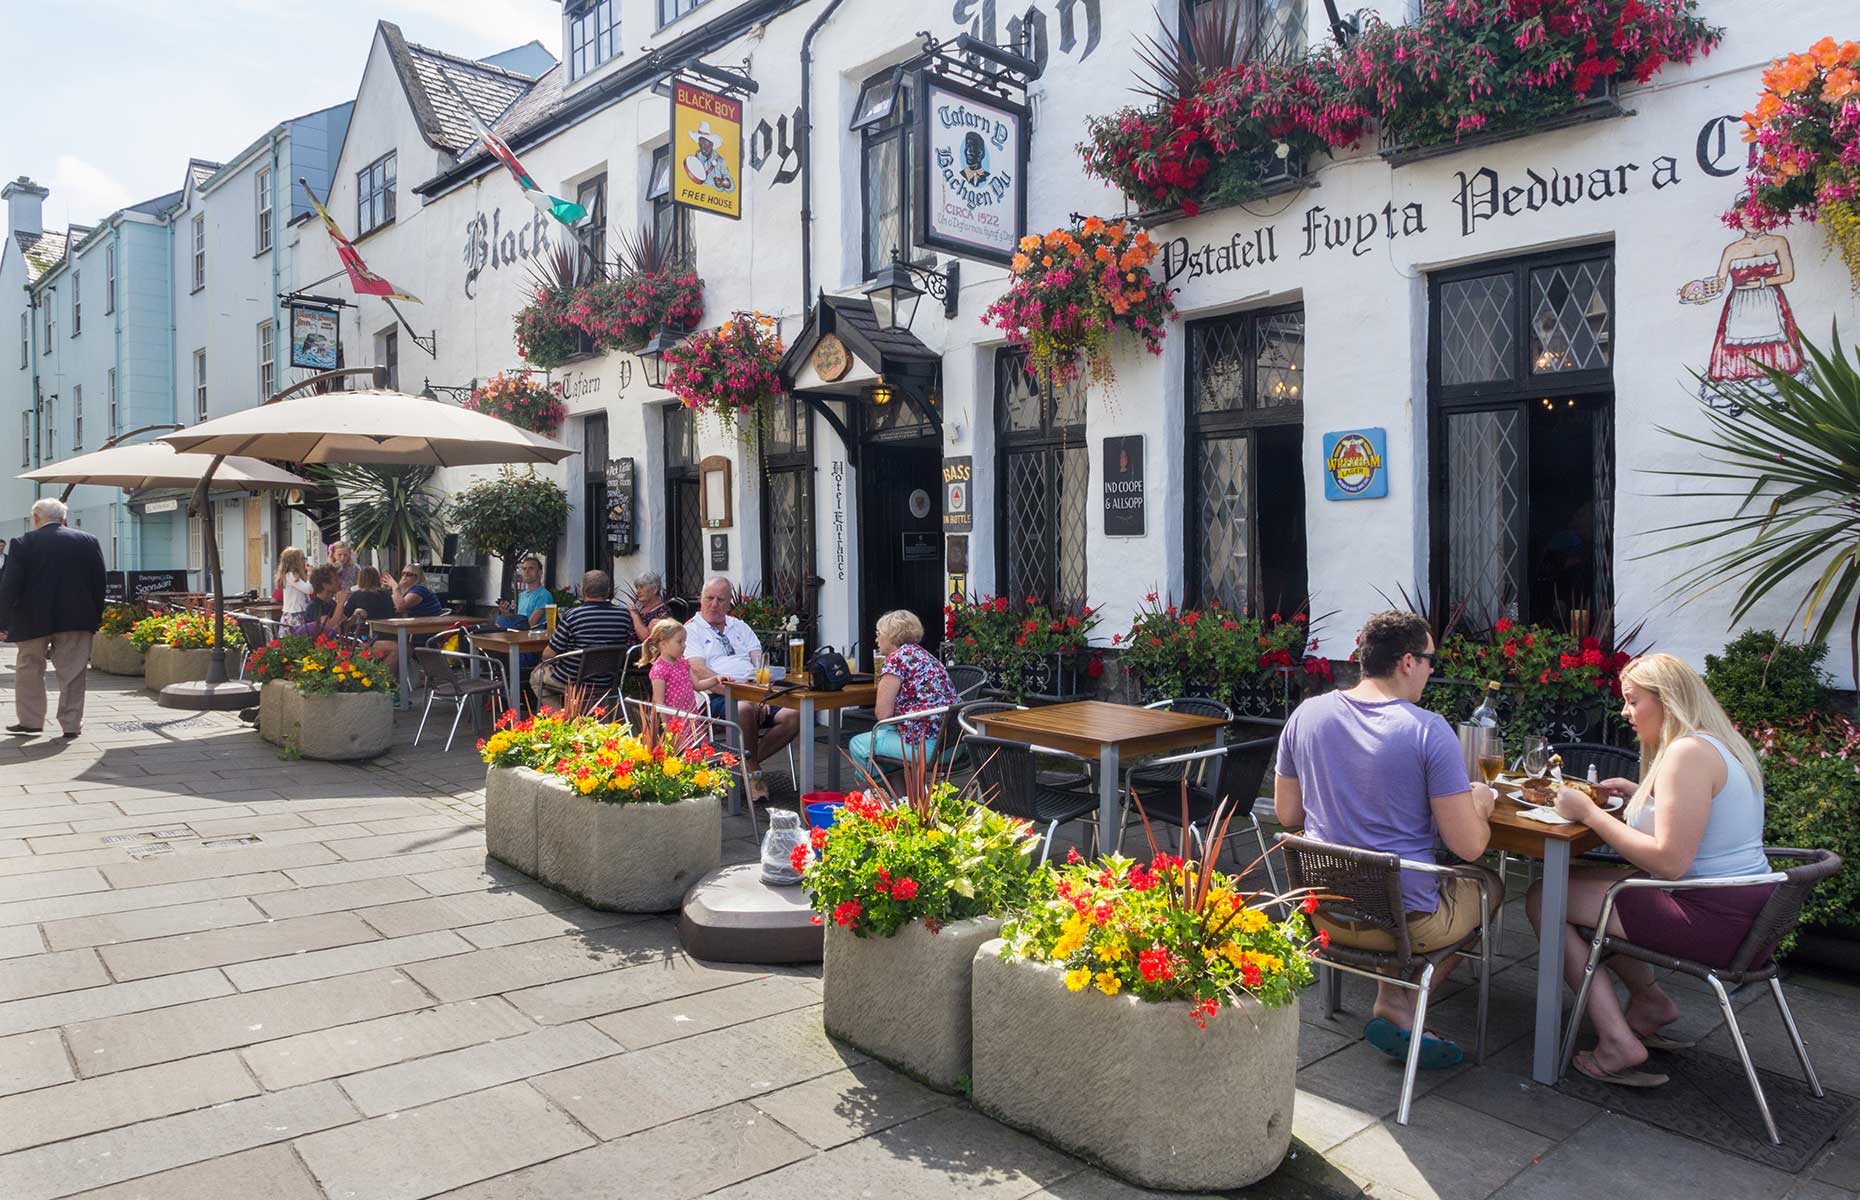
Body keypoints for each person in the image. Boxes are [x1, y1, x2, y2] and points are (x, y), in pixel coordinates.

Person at [1526, 652, 1776, 1090]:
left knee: (1544, 899)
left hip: (1714, 919)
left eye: (1632, 700)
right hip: (1747, 913)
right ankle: (1649, 1003)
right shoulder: (1716, 743)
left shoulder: (1686, 754)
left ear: (1668, 701)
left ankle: (1617, 1041)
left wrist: (1588, 812)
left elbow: (1668, 861)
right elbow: (1702, 823)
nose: (1625, 712)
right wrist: (1641, 794)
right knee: (1571, 891)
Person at [1274, 609, 1500, 1070]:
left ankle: (1392, 995)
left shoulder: (1307, 714)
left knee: (1385, 875)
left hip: (1325, 913)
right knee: (1488, 883)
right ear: (1407, 662)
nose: (1433, 670)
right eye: (1431, 660)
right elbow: (1469, 846)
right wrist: (1480, 801)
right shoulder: (1426, 729)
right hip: (1402, 922)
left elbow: (1288, 813)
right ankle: (1407, 1002)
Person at [0, 498, 107, 738]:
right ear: (64, 519)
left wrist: (3, 620)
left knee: (29, 668)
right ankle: (71, 724)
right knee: (73, 672)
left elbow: (10, 586)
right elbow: (99, 582)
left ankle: (30, 721)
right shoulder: (88, 541)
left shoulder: (23, 542)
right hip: (77, 618)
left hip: (32, 619)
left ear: (37, 518)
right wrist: (95, 616)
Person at [685, 576, 797, 802]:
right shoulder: (691, 630)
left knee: (795, 714)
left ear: (728, 604)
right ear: (701, 600)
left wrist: (762, 694)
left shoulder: (740, 627)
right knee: (744, 708)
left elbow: (759, 663)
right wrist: (745, 695)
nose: (714, 604)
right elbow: (698, 671)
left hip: (754, 692)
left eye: (720, 599)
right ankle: (752, 772)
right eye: (710, 598)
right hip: (714, 696)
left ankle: (743, 765)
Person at [849, 609, 959, 776]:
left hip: (926, 746)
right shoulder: (924, 655)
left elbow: (883, 715)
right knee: (890, 738)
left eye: (879, 634)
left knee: (858, 744)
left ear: (892, 636)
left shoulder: (896, 660)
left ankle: (878, 796)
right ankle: (903, 799)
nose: (876, 640)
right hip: (951, 745)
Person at [530, 570, 633, 710]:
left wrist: (544, 664)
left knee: (536, 677)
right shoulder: (624, 615)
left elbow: (549, 654)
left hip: (574, 680)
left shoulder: (574, 615)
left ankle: (561, 718)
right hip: (608, 680)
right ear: (608, 591)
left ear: (583, 591)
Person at [643, 617, 720, 718]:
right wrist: (667, 728)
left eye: (684, 642)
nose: (684, 646)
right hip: (675, 721)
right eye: (679, 642)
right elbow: (659, 703)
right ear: (663, 644)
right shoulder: (660, 669)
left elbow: (697, 685)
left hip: (690, 717)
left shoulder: (683, 663)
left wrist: (716, 679)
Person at [334, 566, 398, 670]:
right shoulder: (386, 594)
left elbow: (344, 620)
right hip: (390, 635)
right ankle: (383, 676)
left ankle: (379, 678)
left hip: (367, 639)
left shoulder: (357, 596)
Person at [496, 555, 549, 631]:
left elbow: (530, 624)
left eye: (531, 568)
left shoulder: (544, 595)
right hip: (518, 635)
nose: (526, 571)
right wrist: (505, 614)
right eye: (524, 569)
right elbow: (520, 620)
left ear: (540, 572)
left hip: (532, 639)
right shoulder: (522, 595)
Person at [629, 571, 672, 643]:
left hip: (642, 652)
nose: (638, 591)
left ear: (654, 589)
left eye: (641, 587)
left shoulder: (663, 611)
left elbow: (646, 638)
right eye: (637, 588)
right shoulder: (639, 609)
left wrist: (635, 616)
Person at [276, 547, 313, 628]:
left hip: (300, 611)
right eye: (303, 558)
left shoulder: (297, 575)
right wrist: (310, 574)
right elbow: (309, 590)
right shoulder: (291, 575)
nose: (305, 561)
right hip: (295, 614)